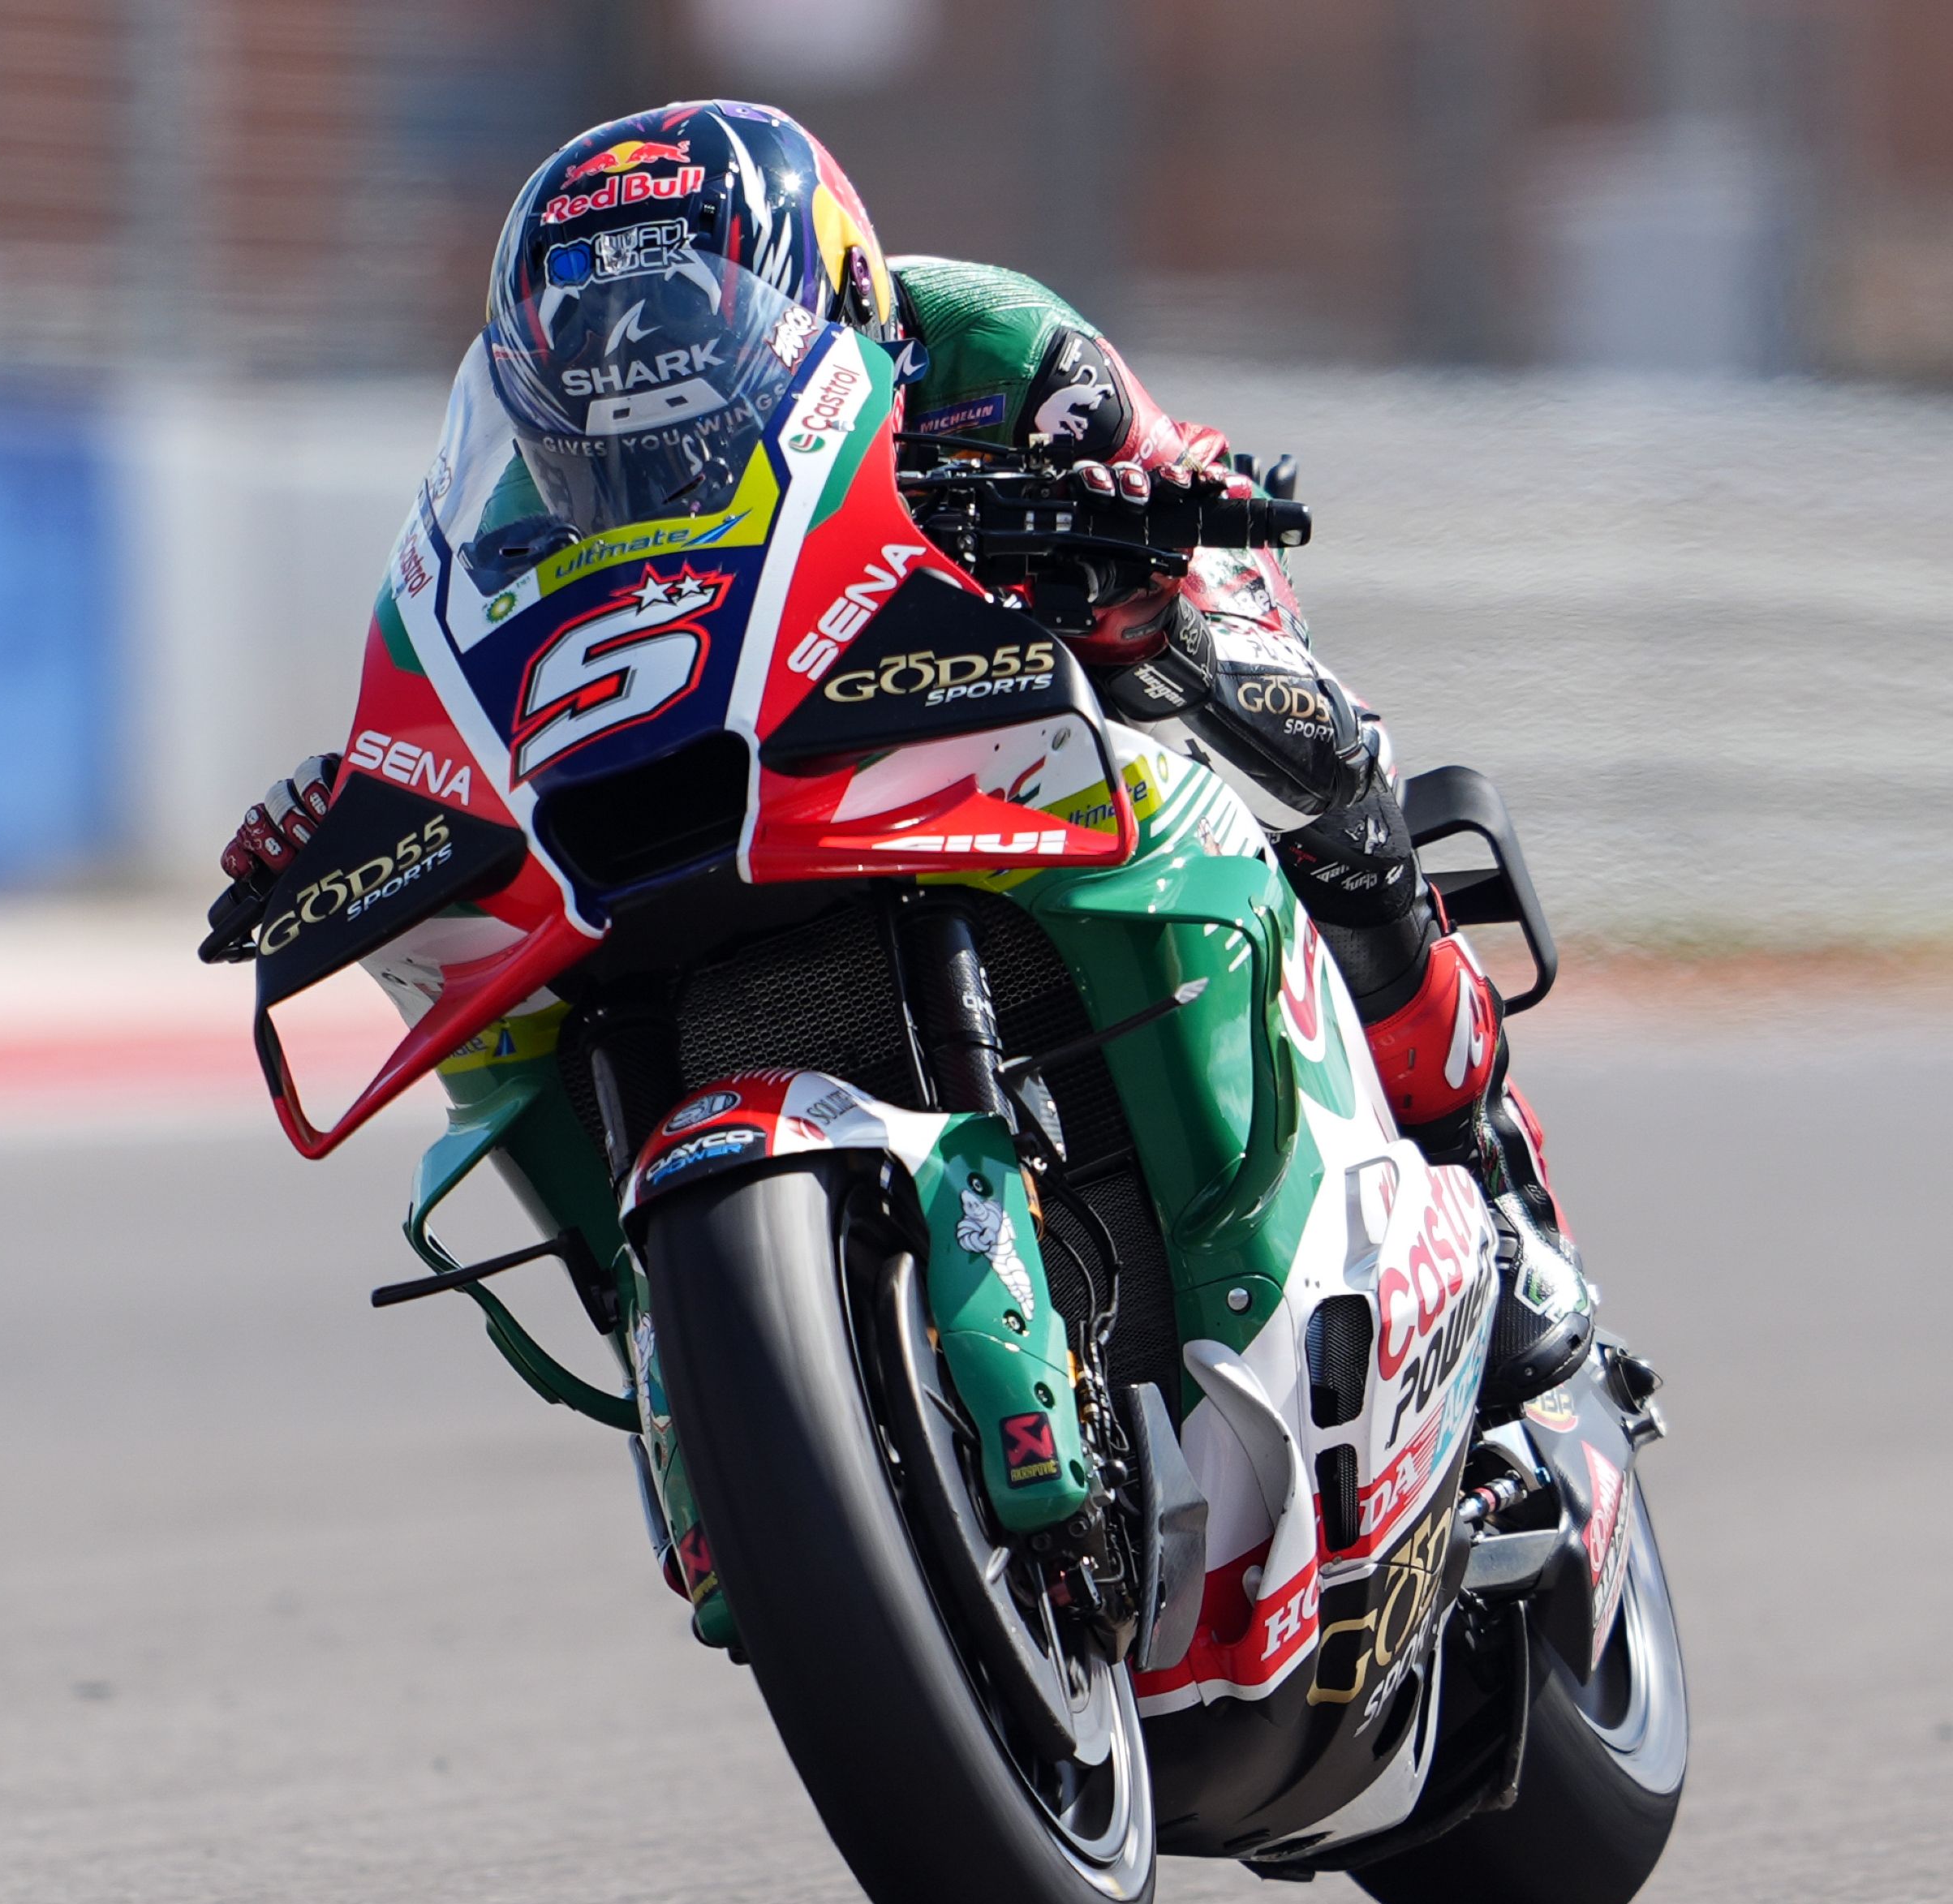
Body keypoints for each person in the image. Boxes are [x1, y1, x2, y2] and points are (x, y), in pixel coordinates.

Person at [213, 100, 1594, 1407]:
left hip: (1022, 663)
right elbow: (475, 650)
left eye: (679, 365)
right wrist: (384, 787)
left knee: (1316, 752)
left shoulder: (994, 345)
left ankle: (1487, 1173)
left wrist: (1138, 567)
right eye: (593, 382)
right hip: (762, 743)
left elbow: (1201, 513)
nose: (637, 421)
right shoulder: (519, 479)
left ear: (835, 302)